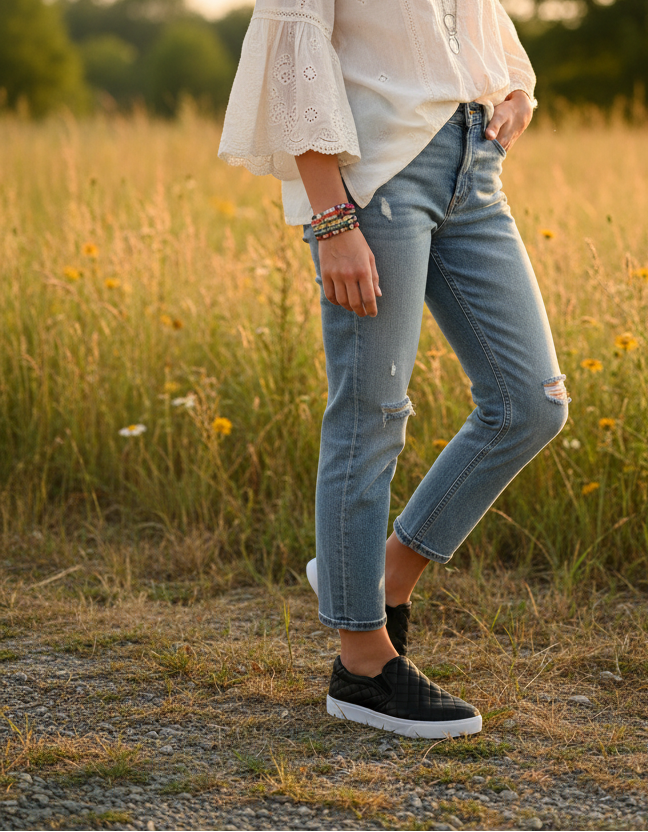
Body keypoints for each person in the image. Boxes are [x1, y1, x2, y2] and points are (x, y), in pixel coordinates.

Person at [219, 0, 569, 739]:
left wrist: (515, 89)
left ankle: (387, 575)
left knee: (531, 403)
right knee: (370, 412)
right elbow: (294, 56)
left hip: (474, 169)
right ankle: (362, 667)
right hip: (376, 182)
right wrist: (331, 220)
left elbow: (471, 26)